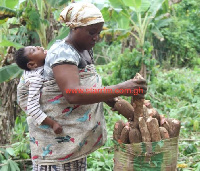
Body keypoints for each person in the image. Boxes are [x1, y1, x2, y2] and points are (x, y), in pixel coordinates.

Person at [17, 2, 147, 171]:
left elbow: (90, 87)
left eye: (98, 33)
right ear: (74, 28)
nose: (96, 37)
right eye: (91, 32)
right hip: (57, 147)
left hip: (75, 143)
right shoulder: (62, 53)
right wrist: (122, 87)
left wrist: (127, 109)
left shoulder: (84, 50)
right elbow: (73, 93)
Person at [15, 46, 63, 134]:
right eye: (34, 50)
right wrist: (53, 124)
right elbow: (32, 109)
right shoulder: (35, 79)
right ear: (32, 64)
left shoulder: (41, 63)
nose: (38, 47)